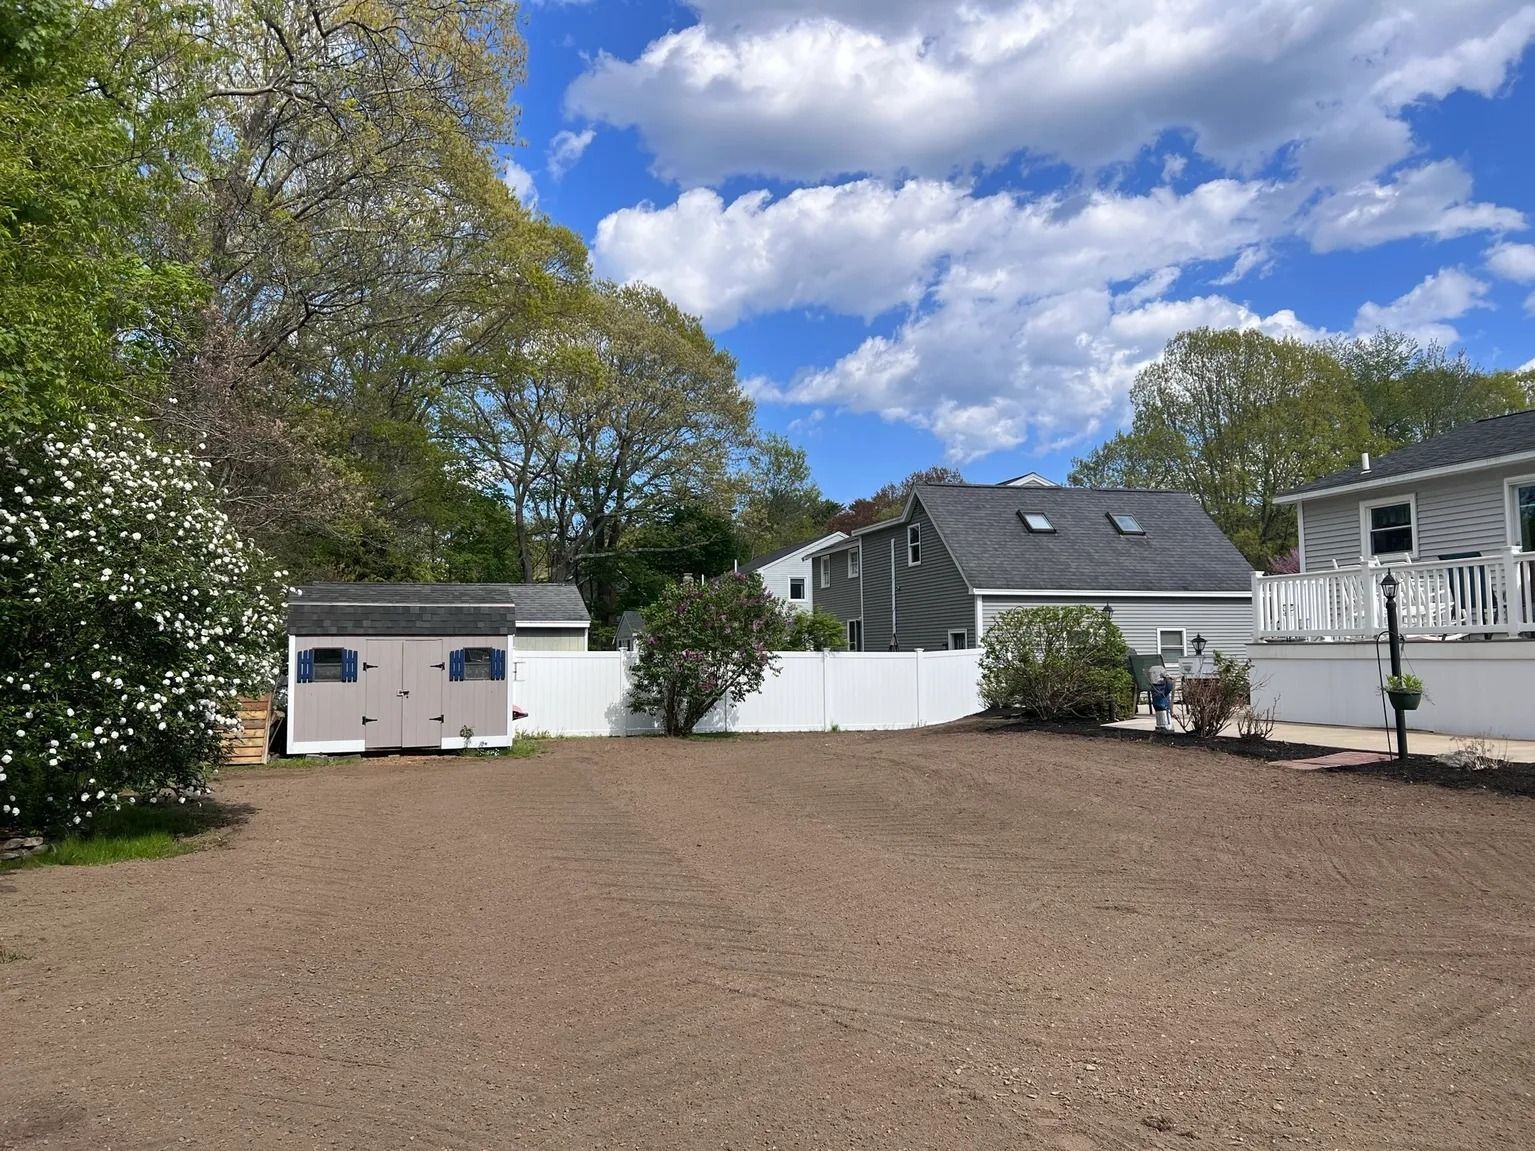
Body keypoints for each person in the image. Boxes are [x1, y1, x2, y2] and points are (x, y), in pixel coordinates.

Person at [1149, 663, 1175, 732]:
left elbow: (1169, 686)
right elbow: (1169, 686)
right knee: (1161, 708)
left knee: (1163, 709)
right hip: (1160, 704)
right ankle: (1161, 726)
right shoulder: (1158, 686)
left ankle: (1166, 726)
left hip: (1162, 705)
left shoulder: (1156, 686)